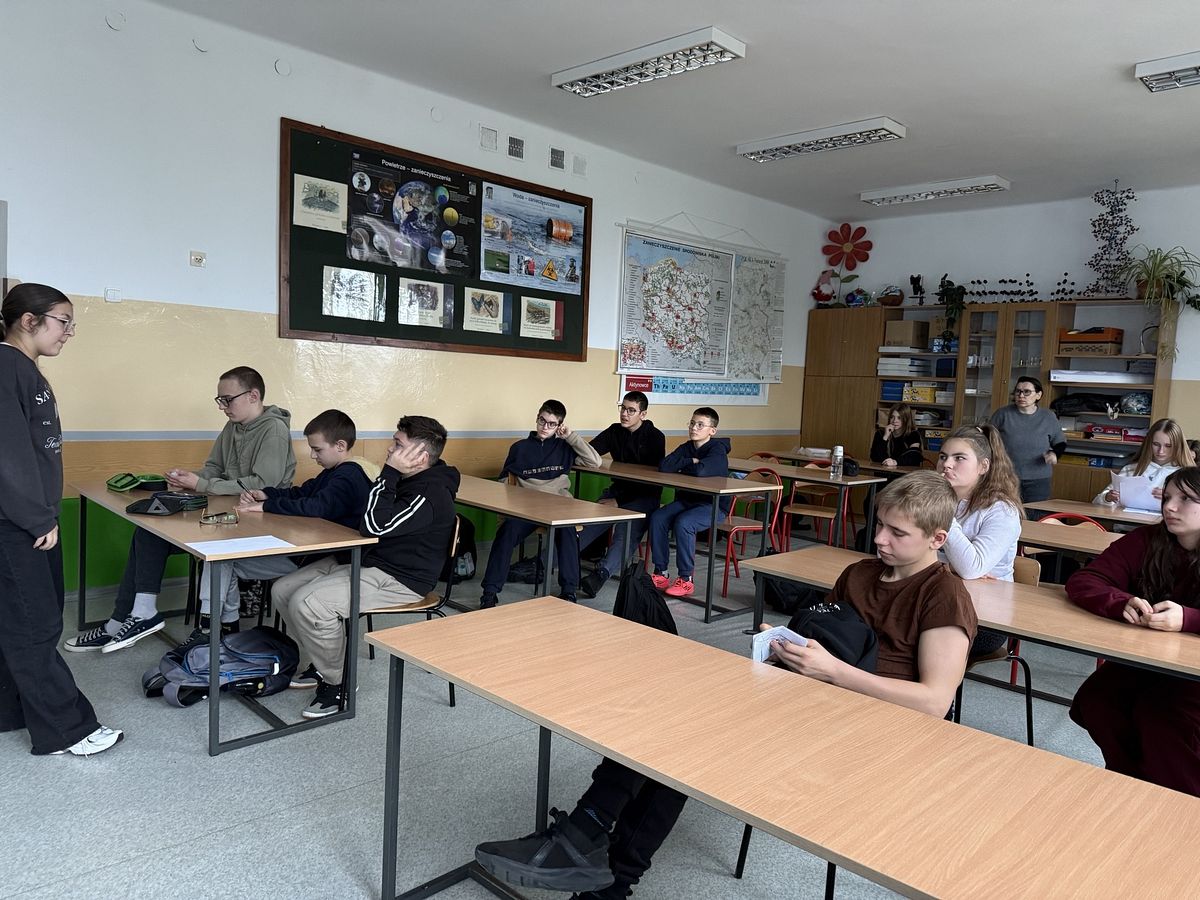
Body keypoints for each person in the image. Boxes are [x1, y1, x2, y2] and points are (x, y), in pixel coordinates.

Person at [472, 471, 974, 897]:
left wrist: (832, 671)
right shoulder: (860, 574)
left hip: (870, 731)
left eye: (897, 533)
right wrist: (786, 645)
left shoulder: (943, 595)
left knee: (691, 738)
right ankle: (591, 848)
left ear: (936, 539)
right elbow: (836, 638)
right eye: (879, 525)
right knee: (675, 718)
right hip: (805, 698)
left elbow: (933, 703)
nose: (880, 539)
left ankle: (594, 856)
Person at [65, 366, 296, 654]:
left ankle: (184, 624)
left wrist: (203, 484)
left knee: (185, 542)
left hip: (256, 522)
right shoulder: (233, 426)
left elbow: (264, 484)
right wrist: (190, 478)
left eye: (228, 400)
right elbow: (214, 467)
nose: (223, 407)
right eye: (220, 400)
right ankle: (125, 618)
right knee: (149, 533)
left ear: (253, 395)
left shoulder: (273, 430)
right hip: (225, 514)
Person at [0, 283, 122, 756]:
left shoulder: (24, 369)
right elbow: (9, 457)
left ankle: (12, 711)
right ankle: (66, 730)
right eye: (63, 322)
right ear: (29, 321)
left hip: (30, 520)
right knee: (36, 627)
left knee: (22, 621)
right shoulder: (7, 367)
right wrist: (37, 519)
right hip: (19, 525)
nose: (69, 332)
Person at [272, 415, 460, 718]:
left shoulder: (429, 494)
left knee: (309, 604)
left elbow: (372, 525)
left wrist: (389, 473)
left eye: (398, 445)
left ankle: (339, 684)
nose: (390, 450)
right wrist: (390, 477)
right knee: (283, 589)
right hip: (370, 560)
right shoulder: (407, 480)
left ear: (420, 456)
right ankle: (323, 664)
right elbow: (369, 519)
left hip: (401, 578)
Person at [182, 409, 378, 651]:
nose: (313, 455)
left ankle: (211, 629)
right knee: (223, 561)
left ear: (340, 446)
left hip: (319, 556)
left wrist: (266, 506)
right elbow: (302, 492)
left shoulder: (349, 475)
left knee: (223, 561)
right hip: (308, 549)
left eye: (317, 450)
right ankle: (223, 627)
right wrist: (267, 494)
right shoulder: (335, 472)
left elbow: (317, 507)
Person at [1066, 467, 1200, 797]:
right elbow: (1085, 580)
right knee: (1098, 700)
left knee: (1161, 717)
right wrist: (1120, 602)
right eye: (1167, 497)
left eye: (1186, 499)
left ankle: (1179, 800)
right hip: (1148, 661)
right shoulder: (1147, 540)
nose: (1170, 507)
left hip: (1193, 674)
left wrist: (1188, 619)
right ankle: (1130, 785)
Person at [479, 400, 601, 608]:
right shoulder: (519, 448)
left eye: (552, 424)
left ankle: (569, 591)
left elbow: (594, 461)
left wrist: (570, 436)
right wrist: (512, 505)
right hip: (526, 509)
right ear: (537, 418)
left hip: (559, 509)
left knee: (568, 531)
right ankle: (489, 592)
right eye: (542, 421)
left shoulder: (565, 447)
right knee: (507, 532)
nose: (545, 427)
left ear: (560, 426)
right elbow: (504, 481)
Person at [936, 424, 1024, 654]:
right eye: (943, 457)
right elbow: (902, 552)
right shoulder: (940, 498)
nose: (946, 464)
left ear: (983, 466)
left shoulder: (1002, 510)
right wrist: (949, 567)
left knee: (905, 633)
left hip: (985, 620)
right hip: (940, 598)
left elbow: (970, 568)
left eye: (959, 458)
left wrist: (943, 513)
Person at [578, 391, 666, 599]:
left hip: (644, 496)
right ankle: (542, 564)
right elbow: (591, 451)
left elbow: (650, 480)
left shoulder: (655, 437)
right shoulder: (615, 431)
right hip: (617, 492)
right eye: (623, 408)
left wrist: (619, 502)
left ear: (642, 414)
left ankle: (601, 574)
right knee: (585, 525)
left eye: (631, 410)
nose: (625, 414)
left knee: (625, 534)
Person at [648, 407, 730, 598]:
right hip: (688, 501)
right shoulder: (687, 447)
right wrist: (690, 461)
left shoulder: (717, 450)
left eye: (700, 425)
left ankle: (686, 579)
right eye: (692, 423)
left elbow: (701, 471)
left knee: (684, 523)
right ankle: (661, 573)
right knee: (658, 517)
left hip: (713, 505)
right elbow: (664, 466)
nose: (694, 428)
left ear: (712, 430)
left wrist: (683, 465)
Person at [988, 376, 1065, 502]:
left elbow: (1060, 442)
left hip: (1038, 479)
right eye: (1018, 391)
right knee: (1005, 510)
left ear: (1038, 395)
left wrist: (1054, 454)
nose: (1021, 395)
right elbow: (987, 439)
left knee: (1035, 511)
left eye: (1027, 392)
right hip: (1006, 476)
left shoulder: (1048, 417)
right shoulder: (1003, 414)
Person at [1093, 417, 1194, 506]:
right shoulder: (1131, 469)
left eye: (1168, 446)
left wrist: (1171, 498)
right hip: (1127, 520)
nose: (1161, 451)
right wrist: (1107, 498)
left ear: (1178, 446)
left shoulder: (1186, 474)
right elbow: (1097, 501)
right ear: (1148, 443)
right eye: (1156, 444)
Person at [871, 403, 924, 468]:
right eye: (892, 417)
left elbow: (914, 456)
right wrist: (885, 437)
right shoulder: (880, 433)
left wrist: (895, 462)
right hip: (883, 471)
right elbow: (874, 457)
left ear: (906, 419)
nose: (895, 421)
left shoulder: (913, 434)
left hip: (904, 472)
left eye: (899, 418)